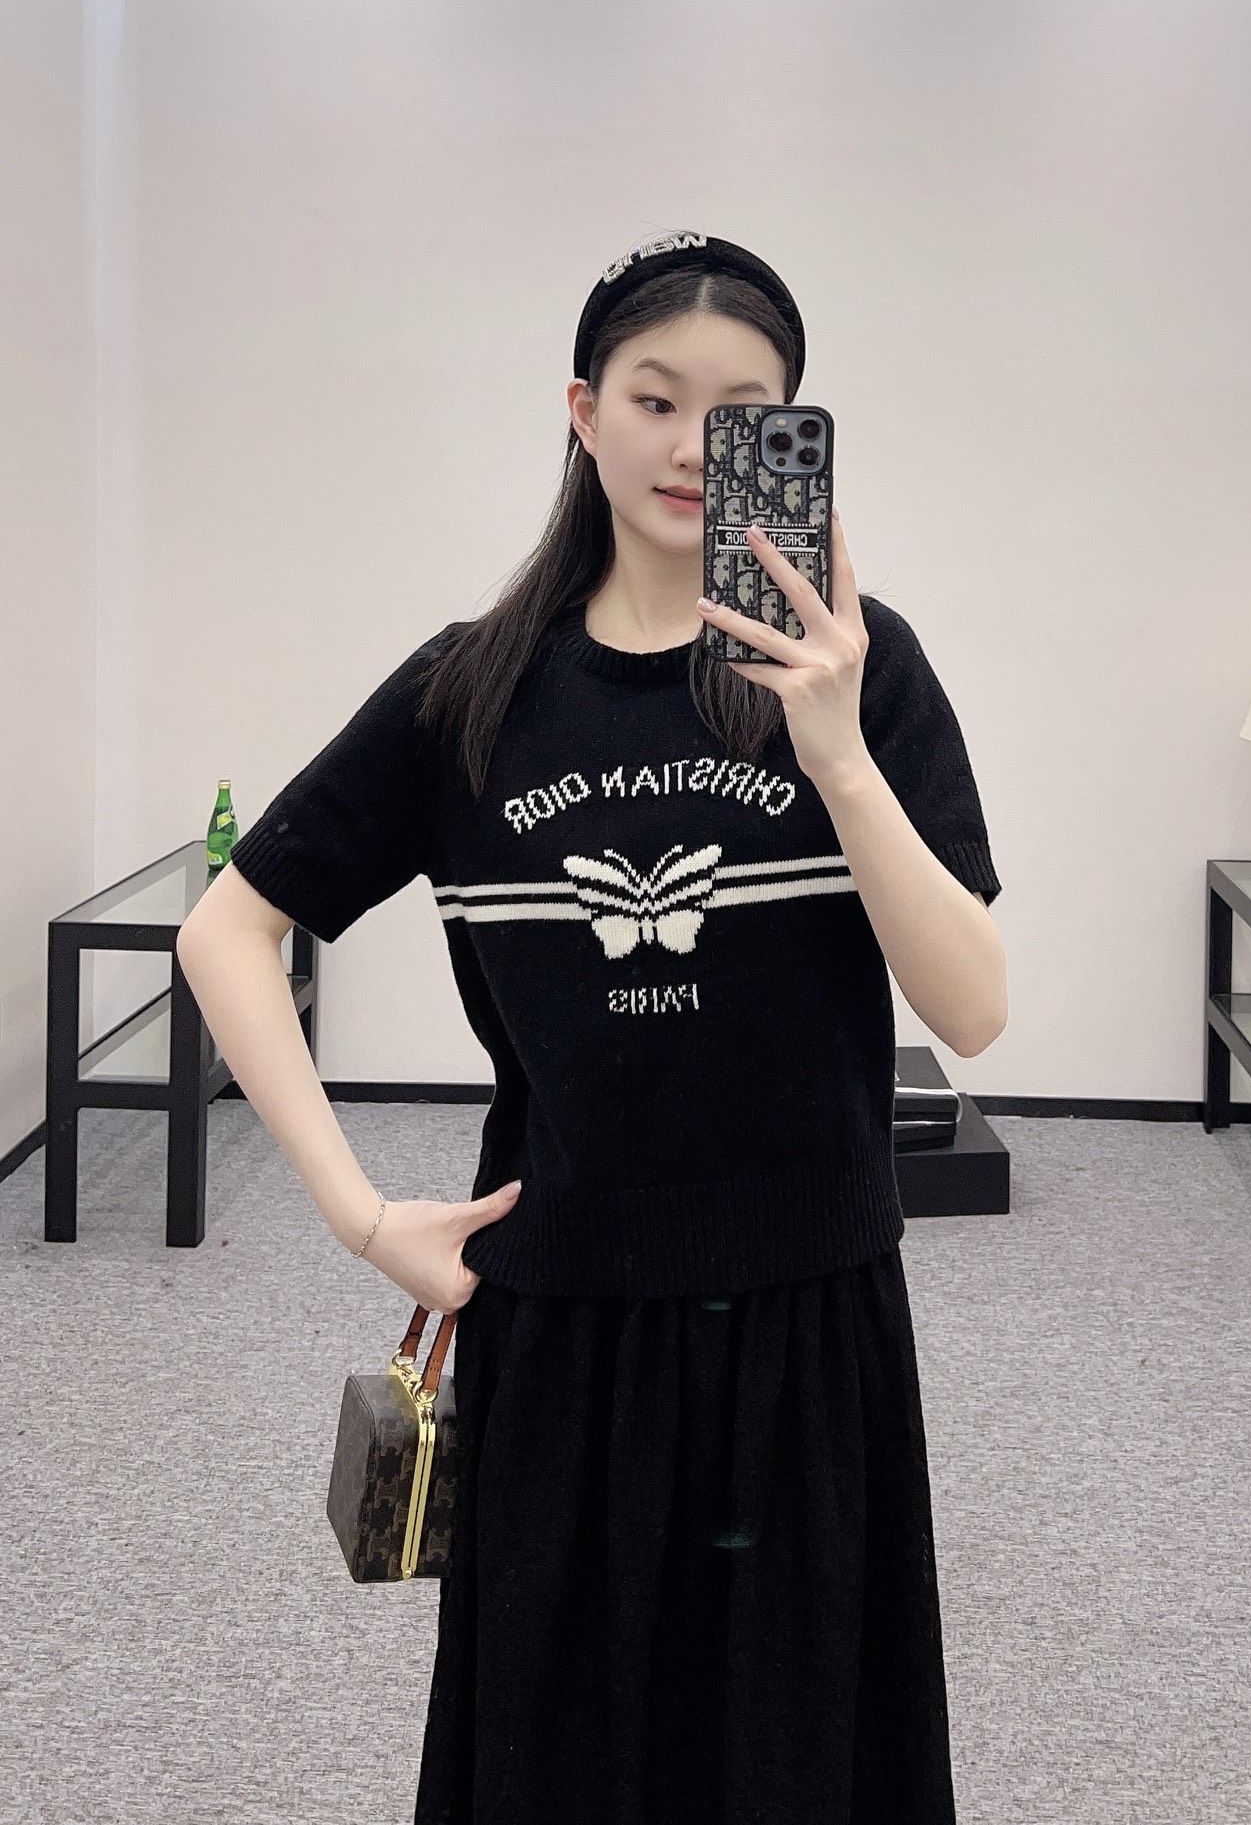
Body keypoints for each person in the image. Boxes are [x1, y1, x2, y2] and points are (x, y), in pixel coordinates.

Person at [175, 231, 1007, 1825]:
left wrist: (836, 747)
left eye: (740, 409)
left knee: (804, 1762)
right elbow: (229, 929)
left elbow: (971, 1006)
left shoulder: (863, 668)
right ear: (583, 411)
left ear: (792, 431)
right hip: (562, 1325)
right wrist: (362, 1215)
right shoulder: (474, 689)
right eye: (654, 396)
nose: (693, 443)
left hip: (809, 1322)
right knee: (561, 1763)